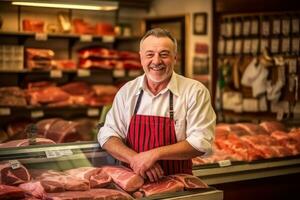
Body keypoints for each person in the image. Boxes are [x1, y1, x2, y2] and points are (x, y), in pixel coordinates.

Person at [98, 28, 216, 182]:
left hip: (177, 185)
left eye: (164, 54)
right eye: (150, 54)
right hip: (132, 184)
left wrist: (153, 155)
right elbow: (108, 135)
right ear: (141, 58)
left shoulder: (195, 92)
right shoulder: (127, 91)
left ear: (175, 58)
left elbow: (201, 142)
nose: (156, 61)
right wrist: (136, 159)